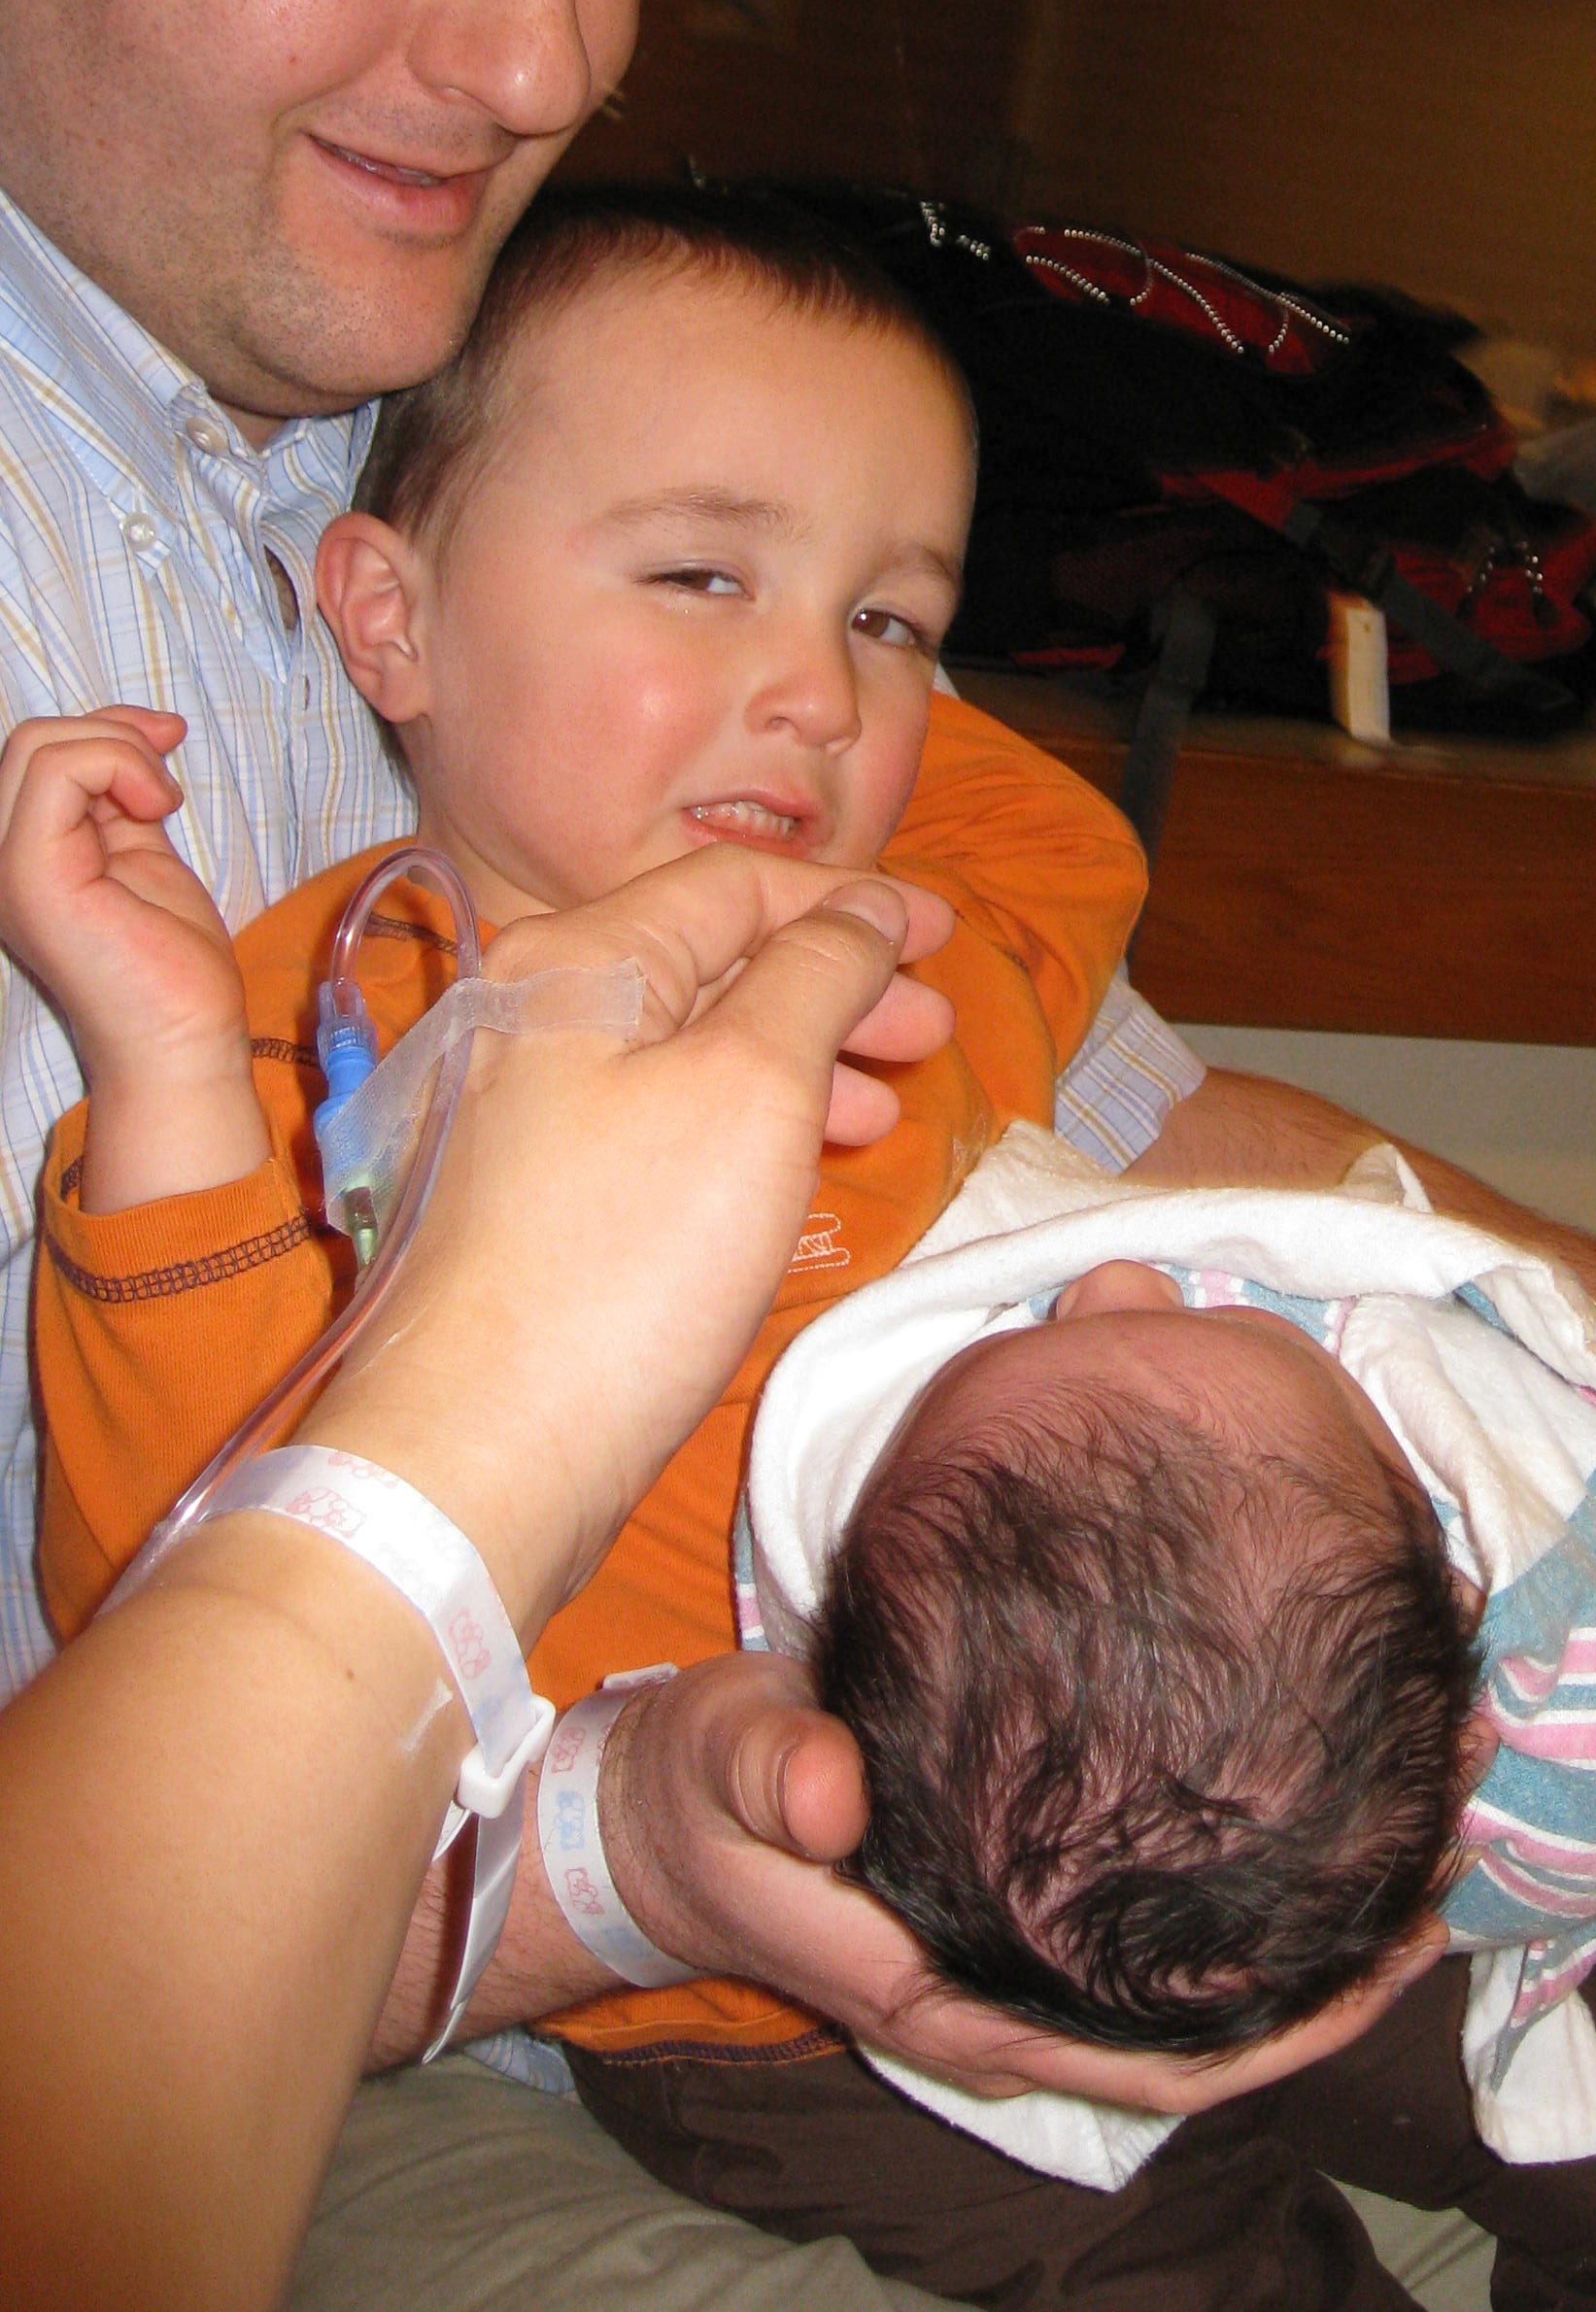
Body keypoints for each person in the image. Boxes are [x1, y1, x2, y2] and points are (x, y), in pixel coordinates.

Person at [0, 0, 1596, 2302]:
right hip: (417, 2014)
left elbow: (1117, 1111)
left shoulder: (447, 389)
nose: (539, 53)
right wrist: (624, 1847)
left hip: (915, 1801)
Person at [537, 1127, 1596, 2311]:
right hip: (765, 2029)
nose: (1119, 1271)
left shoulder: (1367, 1711)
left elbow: (1155, 1098)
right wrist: (630, 1851)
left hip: (1311, 1863)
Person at [0, 830, 1088, 2312]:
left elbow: (1056, 849)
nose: (819, 710)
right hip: (756, 2020)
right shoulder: (338, 1019)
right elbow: (166, 1570)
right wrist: (171, 1069)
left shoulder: (919, 946)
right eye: (696, 589)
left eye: (884, 671)